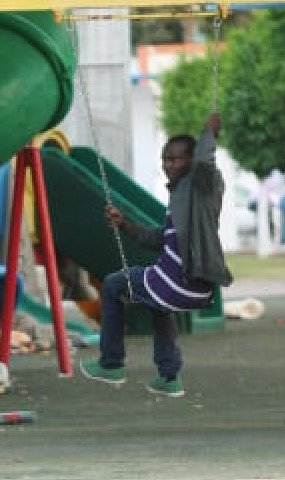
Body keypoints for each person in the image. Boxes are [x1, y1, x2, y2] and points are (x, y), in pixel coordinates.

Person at [79, 112, 233, 397]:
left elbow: (205, 164)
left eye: (176, 159)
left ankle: (111, 364)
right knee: (158, 305)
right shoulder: (180, 199)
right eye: (165, 159)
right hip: (189, 288)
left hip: (179, 282)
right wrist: (125, 225)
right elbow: (161, 239)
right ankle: (169, 375)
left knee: (112, 284)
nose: (169, 165)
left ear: (191, 161)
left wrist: (208, 135)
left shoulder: (202, 188)